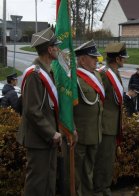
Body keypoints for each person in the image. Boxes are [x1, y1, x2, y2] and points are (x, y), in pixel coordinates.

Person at [16, 27, 63, 196]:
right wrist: (52, 133)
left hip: (47, 138)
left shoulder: (46, 70)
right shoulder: (35, 74)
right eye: (56, 46)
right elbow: (32, 110)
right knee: (36, 185)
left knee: (48, 182)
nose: (58, 49)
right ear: (49, 50)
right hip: (38, 139)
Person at [93, 42, 129, 196]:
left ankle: (105, 187)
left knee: (108, 160)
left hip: (112, 123)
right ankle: (100, 189)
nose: (125, 61)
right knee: (103, 160)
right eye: (123, 58)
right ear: (119, 59)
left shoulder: (113, 72)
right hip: (105, 124)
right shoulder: (104, 74)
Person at [73, 40, 105, 196]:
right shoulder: (73, 78)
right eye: (93, 57)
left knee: (89, 171)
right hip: (79, 134)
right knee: (76, 173)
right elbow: (68, 109)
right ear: (82, 59)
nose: (96, 60)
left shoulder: (97, 75)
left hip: (95, 132)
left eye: (96, 57)